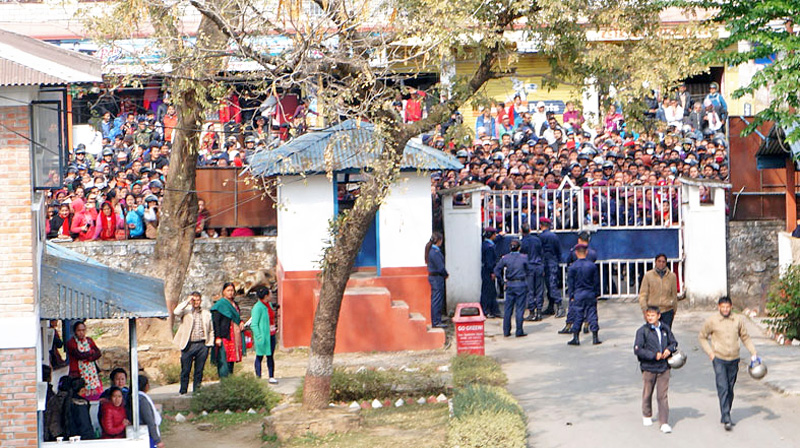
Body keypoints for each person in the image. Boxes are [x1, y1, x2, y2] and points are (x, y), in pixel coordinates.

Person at [698, 296, 758, 431]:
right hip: (718, 358)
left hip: (734, 358)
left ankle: (726, 410)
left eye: (727, 307)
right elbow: (702, 337)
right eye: (722, 307)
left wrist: (753, 352)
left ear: (731, 307)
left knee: (730, 388)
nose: (725, 309)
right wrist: (710, 353)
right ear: (719, 307)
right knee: (722, 387)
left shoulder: (737, 320)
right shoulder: (712, 321)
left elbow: (745, 337)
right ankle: (726, 416)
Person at [634, 306, 678, 434]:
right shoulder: (642, 331)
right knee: (648, 392)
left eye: (652, 315)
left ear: (658, 316)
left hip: (664, 367)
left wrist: (669, 349)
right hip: (649, 367)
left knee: (662, 395)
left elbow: (674, 342)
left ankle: (664, 422)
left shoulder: (665, 328)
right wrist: (653, 355)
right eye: (648, 316)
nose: (650, 318)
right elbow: (638, 350)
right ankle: (647, 413)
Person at [173, 291, 214, 394]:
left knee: (199, 370)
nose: (196, 302)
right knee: (185, 369)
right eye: (194, 300)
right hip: (188, 344)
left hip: (202, 344)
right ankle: (183, 391)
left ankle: (197, 390)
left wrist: (209, 344)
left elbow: (211, 330)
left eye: (198, 300)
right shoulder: (186, 312)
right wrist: (187, 301)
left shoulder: (206, 313)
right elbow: (176, 312)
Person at [561, 231, 598, 334]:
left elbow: (569, 262)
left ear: (579, 240)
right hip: (589, 286)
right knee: (590, 308)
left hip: (577, 285)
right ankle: (587, 324)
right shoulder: (593, 253)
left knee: (575, 307)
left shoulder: (574, 252)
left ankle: (570, 325)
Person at [493, 239, 530, 337]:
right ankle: (519, 331)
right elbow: (529, 270)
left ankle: (506, 331)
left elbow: (496, 270)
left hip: (510, 285)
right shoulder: (524, 258)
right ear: (519, 247)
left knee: (508, 309)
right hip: (521, 285)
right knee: (520, 309)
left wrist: (502, 281)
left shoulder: (505, 258)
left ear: (510, 248)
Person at [566, 244, 601, 345]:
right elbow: (596, 282)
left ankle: (576, 337)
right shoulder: (592, 266)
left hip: (578, 293)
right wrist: (596, 293)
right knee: (592, 314)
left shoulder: (573, 267)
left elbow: (570, 283)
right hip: (590, 293)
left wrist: (571, 295)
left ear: (576, 253)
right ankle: (595, 337)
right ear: (586, 252)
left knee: (578, 315)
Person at [211, 282, 244, 378]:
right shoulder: (220, 305)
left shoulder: (235, 304)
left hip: (234, 336)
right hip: (225, 336)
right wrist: (217, 337)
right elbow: (216, 323)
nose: (230, 293)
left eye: (232, 290)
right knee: (223, 359)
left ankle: (230, 381)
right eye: (228, 290)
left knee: (231, 360)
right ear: (223, 292)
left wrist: (241, 321)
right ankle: (224, 382)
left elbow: (237, 317)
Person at [65, 321, 104, 400]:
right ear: (75, 332)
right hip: (77, 373)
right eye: (79, 330)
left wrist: (89, 357)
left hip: (91, 373)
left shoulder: (89, 341)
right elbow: (79, 355)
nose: (81, 333)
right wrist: (90, 353)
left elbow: (98, 353)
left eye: (83, 330)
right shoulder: (71, 343)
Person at [638, 253, 678, 329]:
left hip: (667, 310)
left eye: (663, 262)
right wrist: (645, 310)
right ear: (655, 262)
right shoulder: (648, 276)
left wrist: (674, 310)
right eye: (659, 261)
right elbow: (643, 294)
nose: (661, 264)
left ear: (666, 263)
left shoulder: (672, 276)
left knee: (665, 335)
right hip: (652, 310)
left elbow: (674, 295)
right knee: (653, 336)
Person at [251, 287, 279, 383]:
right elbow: (254, 324)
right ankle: (258, 376)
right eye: (270, 294)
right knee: (259, 356)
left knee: (270, 355)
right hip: (263, 336)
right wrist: (259, 336)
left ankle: (271, 375)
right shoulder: (257, 307)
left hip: (271, 334)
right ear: (266, 296)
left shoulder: (269, 305)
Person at [539, 217, 565, 317]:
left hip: (546, 262)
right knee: (552, 284)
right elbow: (559, 251)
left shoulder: (541, 237)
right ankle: (551, 306)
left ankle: (559, 307)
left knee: (551, 285)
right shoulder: (554, 236)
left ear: (541, 225)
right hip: (553, 262)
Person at [519, 224, 545, 321]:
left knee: (530, 290)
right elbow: (542, 253)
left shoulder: (522, 242)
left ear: (522, 231)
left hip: (528, 267)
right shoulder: (537, 240)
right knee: (539, 289)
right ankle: (539, 311)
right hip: (538, 266)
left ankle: (532, 312)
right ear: (530, 229)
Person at [425, 232, 448, 328]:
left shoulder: (432, 251)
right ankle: (436, 321)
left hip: (435, 277)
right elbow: (440, 267)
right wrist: (446, 274)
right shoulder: (435, 253)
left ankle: (437, 319)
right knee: (437, 300)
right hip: (436, 277)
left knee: (437, 299)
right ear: (438, 241)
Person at [134, 375, 164, 448]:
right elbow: (150, 421)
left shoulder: (134, 397)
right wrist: (157, 440)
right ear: (147, 386)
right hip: (146, 434)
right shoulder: (143, 400)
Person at [480, 228, 500, 318]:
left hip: (487, 270)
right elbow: (489, 262)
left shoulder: (487, 245)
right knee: (487, 291)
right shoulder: (489, 247)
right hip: (488, 271)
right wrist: (492, 272)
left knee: (491, 291)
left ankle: (493, 310)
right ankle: (486, 310)